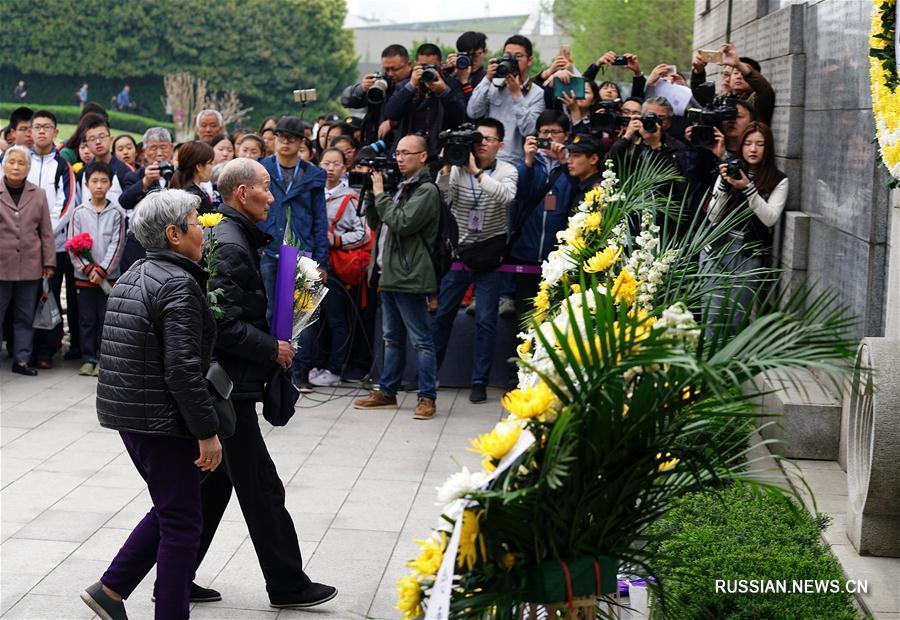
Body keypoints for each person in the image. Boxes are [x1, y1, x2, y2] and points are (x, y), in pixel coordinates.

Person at [196, 158, 337, 608]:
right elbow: (221, 324)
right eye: (264, 188)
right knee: (261, 488)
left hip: (227, 383)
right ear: (241, 194)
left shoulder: (227, 234)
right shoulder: (231, 243)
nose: (272, 197)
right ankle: (288, 584)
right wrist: (271, 348)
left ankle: (175, 575)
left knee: (213, 486)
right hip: (228, 386)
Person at [80, 189, 223, 620]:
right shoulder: (178, 283)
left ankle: (112, 589)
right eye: (197, 222)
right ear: (174, 234)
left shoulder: (138, 271)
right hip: (160, 420)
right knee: (182, 521)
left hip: (133, 415)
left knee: (172, 506)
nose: (203, 229)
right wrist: (206, 431)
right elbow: (181, 369)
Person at [354, 134, 440, 419]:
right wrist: (370, 194)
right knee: (391, 338)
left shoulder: (426, 190)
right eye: (398, 153)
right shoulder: (402, 187)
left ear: (423, 157)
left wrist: (380, 195)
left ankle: (427, 397)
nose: (400, 158)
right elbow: (376, 221)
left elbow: (402, 223)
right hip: (389, 273)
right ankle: (388, 391)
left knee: (421, 339)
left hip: (411, 274)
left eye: (406, 153)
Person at [432, 118, 518, 403]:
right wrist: (445, 168)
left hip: (490, 254)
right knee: (443, 315)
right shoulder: (456, 168)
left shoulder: (508, 170)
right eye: (478, 139)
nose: (481, 144)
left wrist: (476, 173)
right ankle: (429, 375)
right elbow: (442, 199)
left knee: (486, 320)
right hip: (458, 252)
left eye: (488, 140)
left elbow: (506, 197)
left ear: (500, 145)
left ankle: (479, 381)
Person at [704, 121, 787, 332]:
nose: (753, 149)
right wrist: (724, 186)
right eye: (748, 143)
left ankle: (731, 362)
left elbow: (770, 218)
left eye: (760, 144)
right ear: (740, 146)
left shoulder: (778, 180)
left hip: (748, 252)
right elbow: (713, 216)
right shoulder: (730, 169)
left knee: (737, 316)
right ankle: (708, 362)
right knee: (712, 314)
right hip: (716, 247)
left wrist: (748, 189)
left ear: (768, 148)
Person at [308, 147, 369, 387]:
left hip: (336, 265)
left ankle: (335, 368)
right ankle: (317, 363)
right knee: (315, 317)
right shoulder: (313, 192)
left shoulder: (350, 197)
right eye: (326, 163)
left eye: (335, 164)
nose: (330, 168)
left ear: (345, 168)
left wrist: (337, 240)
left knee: (335, 318)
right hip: (313, 262)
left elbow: (363, 233)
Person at [508, 110, 578, 310]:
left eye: (554, 132)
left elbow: (577, 193)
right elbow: (519, 194)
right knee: (524, 312)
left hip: (557, 254)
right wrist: (528, 161)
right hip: (525, 252)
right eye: (544, 131)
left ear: (566, 135)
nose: (548, 137)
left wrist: (564, 162)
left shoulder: (573, 163)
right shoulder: (529, 163)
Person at [0, 146, 55, 376]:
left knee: (25, 315)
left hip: (30, 265)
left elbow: (46, 231)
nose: (15, 166)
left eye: (21, 163)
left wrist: (49, 262)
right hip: (1, 265)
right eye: (11, 162)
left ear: (28, 168)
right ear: (3, 164)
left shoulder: (38, 193)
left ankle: (22, 359)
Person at [28, 110, 77, 368]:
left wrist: (46, 234)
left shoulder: (62, 166)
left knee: (50, 295)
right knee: (25, 297)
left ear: (55, 132)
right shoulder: (20, 160)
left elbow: (66, 205)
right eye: (37, 127)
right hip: (21, 245)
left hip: (53, 246)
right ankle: (23, 349)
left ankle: (46, 351)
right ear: (31, 131)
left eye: (47, 127)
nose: (42, 131)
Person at [68, 162, 126, 376]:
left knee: (105, 318)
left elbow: (117, 245)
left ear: (110, 184)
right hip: (84, 277)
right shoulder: (78, 213)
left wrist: (102, 270)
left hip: (107, 278)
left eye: (104, 181)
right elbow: (72, 244)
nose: (99, 186)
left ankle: (104, 358)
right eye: (94, 181)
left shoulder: (117, 213)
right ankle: (88, 357)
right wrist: (87, 268)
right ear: (87, 183)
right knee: (86, 319)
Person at [467, 35, 546, 166]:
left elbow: (529, 130)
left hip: (514, 161)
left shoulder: (537, 94)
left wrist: (517, 94)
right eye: (508, 56)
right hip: (486, 157)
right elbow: (473, 112)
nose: (512, 61)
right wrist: (487, 79)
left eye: (518, 56)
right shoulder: (493, 85)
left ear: (530, 60)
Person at [383, 43, 468, 158]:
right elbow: (391, 113)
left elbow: (459, 118)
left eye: (432, 67)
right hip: (408, 153)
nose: (427, 70)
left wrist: (444, 92)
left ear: (441, 65)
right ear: (415, 65)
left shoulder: (450, 85)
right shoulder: (406, 85)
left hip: (437, 151)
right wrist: (411, 86)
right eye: (423, 66)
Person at [118, 127, 176, 271]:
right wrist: (145, 182)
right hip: (141, 247)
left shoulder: (179, 175)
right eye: (153, 148)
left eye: (163, 147)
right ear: (144, 151)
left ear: (171, 149)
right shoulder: (135, 177)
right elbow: (125, 201)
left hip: (173, 246)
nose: (159, 153)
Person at [341, 44, 412, 144]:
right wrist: (361, 89)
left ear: (409, 65)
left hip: (407, 143)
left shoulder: (416, 85)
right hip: (376, 142)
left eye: (395, 69)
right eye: (386, 69)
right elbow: (346, 100)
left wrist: (392, 123)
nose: (391, 74)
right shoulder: (381, 83)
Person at [691, 43, 774, 124]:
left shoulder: (756, 104)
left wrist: (738, 65)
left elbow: (765, 91)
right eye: (736, 72)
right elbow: (700, 101)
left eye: (743, 73)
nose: (739, 77)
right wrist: (699, 72)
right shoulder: (721, 101)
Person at [78, 115, 131, 206]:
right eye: (92, 139)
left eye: (102, 137)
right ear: (87, 144)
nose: (98, 142)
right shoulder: (82, 173)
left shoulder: (124, 171)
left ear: (110, 140)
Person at [169, 140, 216, 214]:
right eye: (210, 163)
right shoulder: (195, 198)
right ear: (199, 166)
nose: (212, 167)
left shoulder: (180, 188)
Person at [447, 31, 489, 102]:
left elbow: (474, 109)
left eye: (475, 55)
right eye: (467, 56)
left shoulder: (487, 79)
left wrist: (465, 83)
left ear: (485, 51)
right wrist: (447, 72)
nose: (471, 60)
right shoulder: (453, 73)